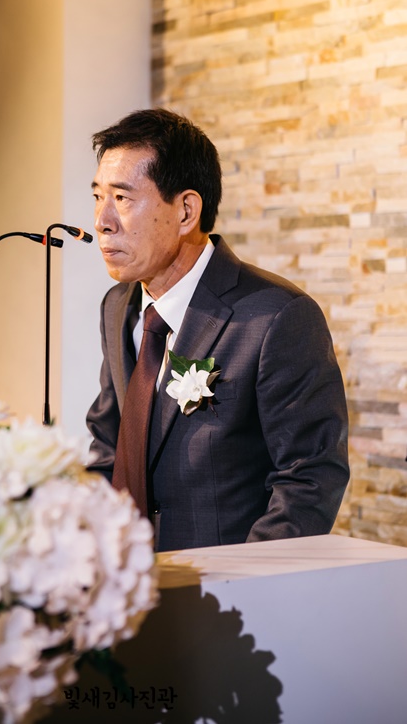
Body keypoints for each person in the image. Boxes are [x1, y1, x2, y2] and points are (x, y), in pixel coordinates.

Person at [87, 108, 349, 552]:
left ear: (186, 210)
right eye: (97, 196)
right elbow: (108, 444)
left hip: (222, 585)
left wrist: (244, 579)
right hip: (125, 578)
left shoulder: (277, 316)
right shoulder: (117, 307)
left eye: (122, 198)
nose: (102, 220)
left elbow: (309, 478)